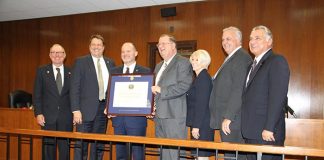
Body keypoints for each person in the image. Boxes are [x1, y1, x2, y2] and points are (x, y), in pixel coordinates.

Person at [242, 25, 290, 160]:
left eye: (257, 38)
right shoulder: (250, 67)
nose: (252, 41)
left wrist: (269, 127)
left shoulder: (276, 61)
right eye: (251, 38)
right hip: (250, 132)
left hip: (266, 133)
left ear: (269, 41)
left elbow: (277, 97)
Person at [209, 26, 252, 159]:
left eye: (228, 39)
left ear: (238, 41)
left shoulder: (241, 58)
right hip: (228, 119)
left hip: (233, 120)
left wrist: (228, 116)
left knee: (234, 156)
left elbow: (238, 89)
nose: (224, 42)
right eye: (223, 39)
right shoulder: (231, 58)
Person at [70, 34, 115, 160]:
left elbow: (113, 87)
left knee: (98, 144)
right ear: (89, 47)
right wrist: (75, 110)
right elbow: (74, 87)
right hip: (84, 111)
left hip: (103, 110)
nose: (96, 47)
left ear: (103, 47)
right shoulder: (81, 62)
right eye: (94, 45)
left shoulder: (110, 63)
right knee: (81, 145)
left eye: (99, 45)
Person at [151, 34, 193, 160]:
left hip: (174, 116)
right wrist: (151, 107)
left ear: (173, 46)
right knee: (162, 153)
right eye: (159, 44)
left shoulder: (183, 62)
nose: (160, 46)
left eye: (164, 43)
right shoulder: (158, 66)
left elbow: (184, 86)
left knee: (176, 154)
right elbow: (153, 90)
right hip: (159, 117)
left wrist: (161, 89)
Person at [110, 42, 151, 160]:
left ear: (136, 53)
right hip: (118, 120)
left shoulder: (145, 71)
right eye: (123, 51)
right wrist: (109, 107)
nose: (125, 54)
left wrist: (149, 107)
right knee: (120, 155)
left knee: (138, 155)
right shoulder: (114, 71)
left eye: (128, 51)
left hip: (137, 121)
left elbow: (148, 96)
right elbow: (110, 93)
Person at [33, 44, 73, 160]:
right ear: (50, 55)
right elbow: (37, 94)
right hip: (47, 117)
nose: (57, 55)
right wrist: (38, 113)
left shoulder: (71, 71)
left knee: (64, 151)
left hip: (66, 118)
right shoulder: (42, 71)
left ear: (64, 55)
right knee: (48, 152)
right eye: (53, 52)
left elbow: (74, 94)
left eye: (60, 52)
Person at [186, 50, 214, 160]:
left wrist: (196, 126)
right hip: (199, 124)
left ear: (204, 62)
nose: (193, 62)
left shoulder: (203, 78)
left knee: (201, 157)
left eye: (196, 59)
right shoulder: (199, 78)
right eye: (192, 59)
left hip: (201, 125)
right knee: (198, 157)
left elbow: (201, 105)